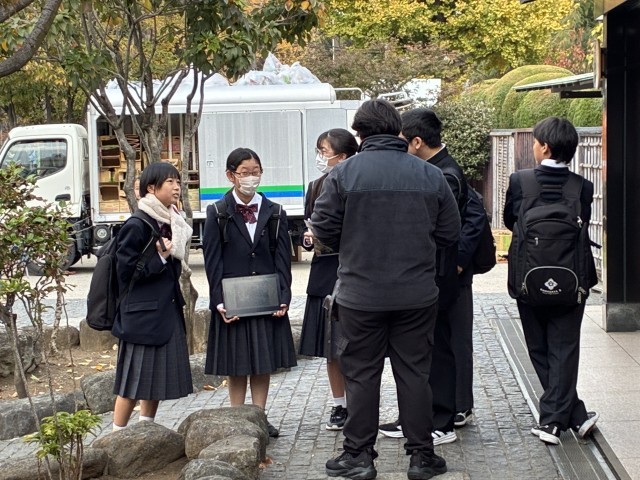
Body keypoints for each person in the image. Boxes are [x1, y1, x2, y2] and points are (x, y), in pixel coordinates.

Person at [311, 99, 460, 480]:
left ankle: (359, 455)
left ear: (360, 134)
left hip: (360, 294)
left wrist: (353, 242)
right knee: (415, 374)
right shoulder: (429, 174)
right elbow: (450, 232)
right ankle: (422, 456)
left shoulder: (344, 175)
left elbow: (322, 227)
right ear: (398, 131)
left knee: (361, 374)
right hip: (416, 293)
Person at [378, 107, 473, 445]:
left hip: (437, 277)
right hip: (428, 275)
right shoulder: (436, 170)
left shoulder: (444, 174)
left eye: (402, 141)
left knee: (438, 351)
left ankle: (441, 421)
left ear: (416, 142)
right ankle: (416, 418)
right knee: (420, 351)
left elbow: (443, 229)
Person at [503, 116, 599, 445]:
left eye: (534, 141)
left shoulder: (519, 181)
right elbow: (583, 222)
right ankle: (576, 414)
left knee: (539, 347)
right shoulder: (582, 187)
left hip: (528, 279)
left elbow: (510, 220)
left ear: (544, 147)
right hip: (572, 281)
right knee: (565, 348)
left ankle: (552, 423)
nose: (533, 146)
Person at [203, 147, 296, 438]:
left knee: (262, 363)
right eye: (245, 173)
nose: (251, 178)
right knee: (236, 365)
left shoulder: (275, 212)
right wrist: (218, 301)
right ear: (231, 175)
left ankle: (259, 417)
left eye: (256, 172)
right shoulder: (217, 212)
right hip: (234, 299)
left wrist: (284, 295)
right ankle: (237, 419)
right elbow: (212, 262)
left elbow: (283, 258)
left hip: (267, 297)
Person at [111, 162, 194, 430]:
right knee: (132, 382)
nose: (177, 187)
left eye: (178, 181)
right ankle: (116, 436)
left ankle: (146, 429)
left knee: (154, 381)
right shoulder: (137, 224)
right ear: (151, 188)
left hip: (166, 310)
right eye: (170, 182)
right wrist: (160, 258)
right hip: (142, 315)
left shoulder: (171, 221)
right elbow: (125, 273)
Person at [299, 128, 358, 431]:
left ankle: (359, 405)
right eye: (319, 151)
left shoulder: (357, 184)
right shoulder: (315, 186)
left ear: (343, 156)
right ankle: (339, 405)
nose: (321, 157)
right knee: (331, 347)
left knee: (355, 347)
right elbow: (309, 226)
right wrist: (309, 239)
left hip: (353, 270)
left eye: (325, 151)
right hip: (323, 272)